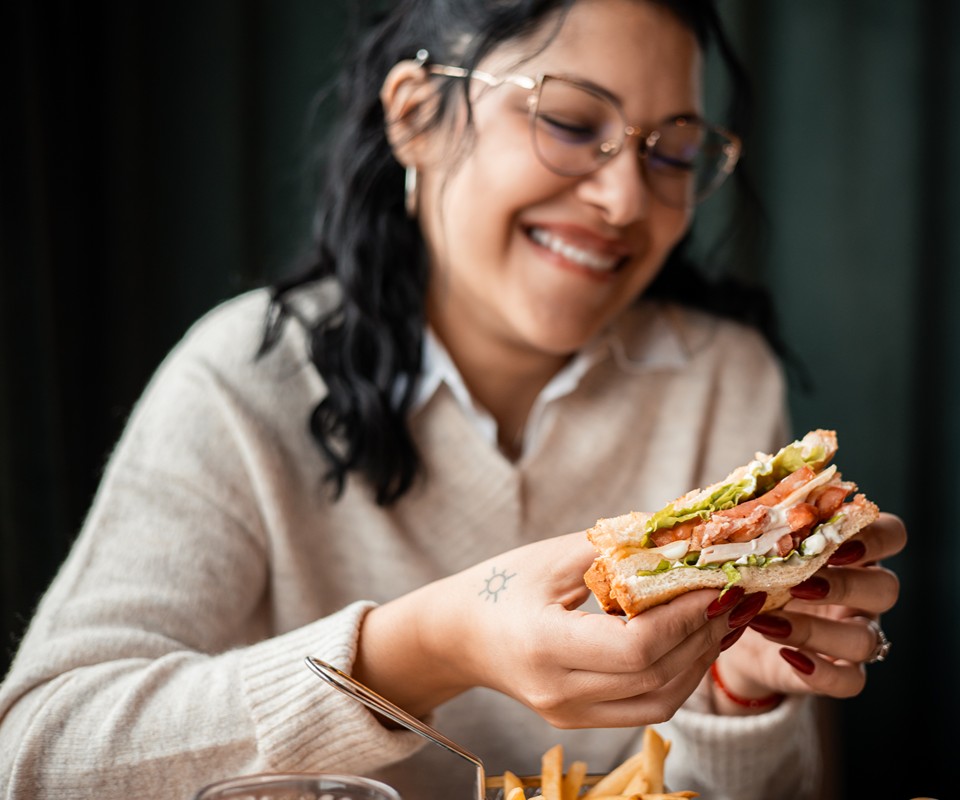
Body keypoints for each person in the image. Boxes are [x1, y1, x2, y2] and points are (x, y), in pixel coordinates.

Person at [0, 0, 906, 798]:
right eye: (568, 118)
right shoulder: (245, 377)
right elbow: (34, 754)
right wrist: (421, 651)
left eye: (671, 151)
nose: (626, 198)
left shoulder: (721, 377)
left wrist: (738, 696)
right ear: (415, 117)